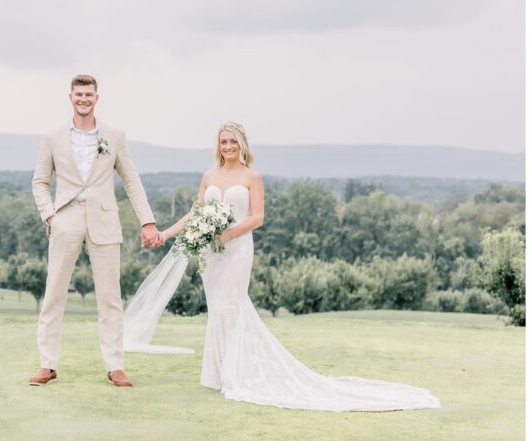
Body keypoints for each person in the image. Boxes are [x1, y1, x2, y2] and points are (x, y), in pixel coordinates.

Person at [124, 122, 441, 411]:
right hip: (211, 254)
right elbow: (195, 213)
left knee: (232, 306)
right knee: (217, 309)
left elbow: (257, 217)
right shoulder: (209, 176)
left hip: (236, 250)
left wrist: (227, 233)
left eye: (233, 141)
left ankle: (237, 375)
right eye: (223, 141)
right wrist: (165, 233)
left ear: (242, 144)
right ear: (217, 145)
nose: (228, 146)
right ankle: (218, 374)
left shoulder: (252, 177)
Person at [28, 74, 160, 388]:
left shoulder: (114, 136)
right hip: (66, 218)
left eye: (89, 94)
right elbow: (39, 182)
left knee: (110, 297)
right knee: (54, 295)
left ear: (96, 98)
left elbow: (131, 180)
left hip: (104, 219)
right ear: (70, 97)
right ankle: (47, 364)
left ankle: (115, 366)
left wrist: (148, 221)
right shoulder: (52, 136)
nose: (83, 99)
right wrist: (50, 216)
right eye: (78, 94)